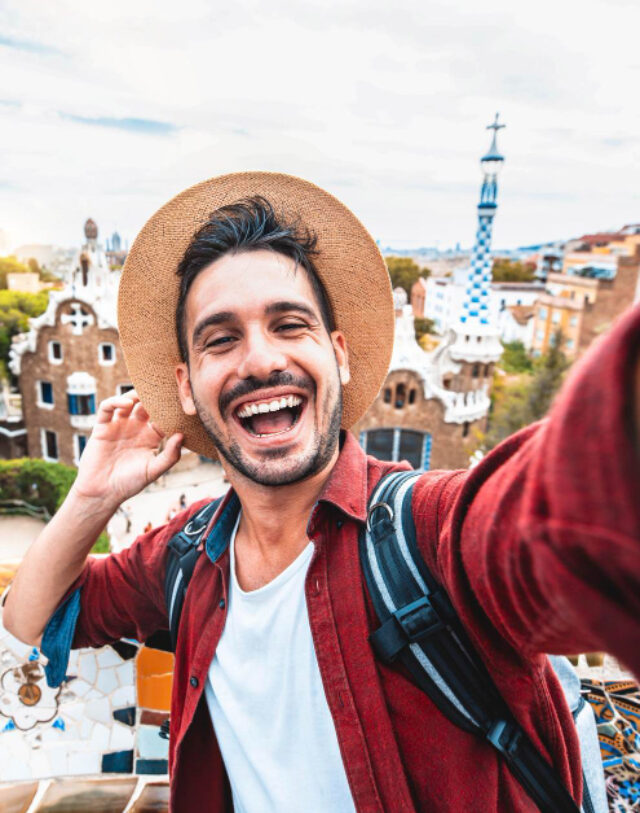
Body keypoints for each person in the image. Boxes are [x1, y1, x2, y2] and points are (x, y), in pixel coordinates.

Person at [3, 173, 640, 813]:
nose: (257, 361)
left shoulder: (427, 535)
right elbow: (30, 623)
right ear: (187, 384)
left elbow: (561, 513)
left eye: (289, 325)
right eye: (221, 339)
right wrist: (92, 497)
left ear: (338, 354)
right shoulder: (188, 556)